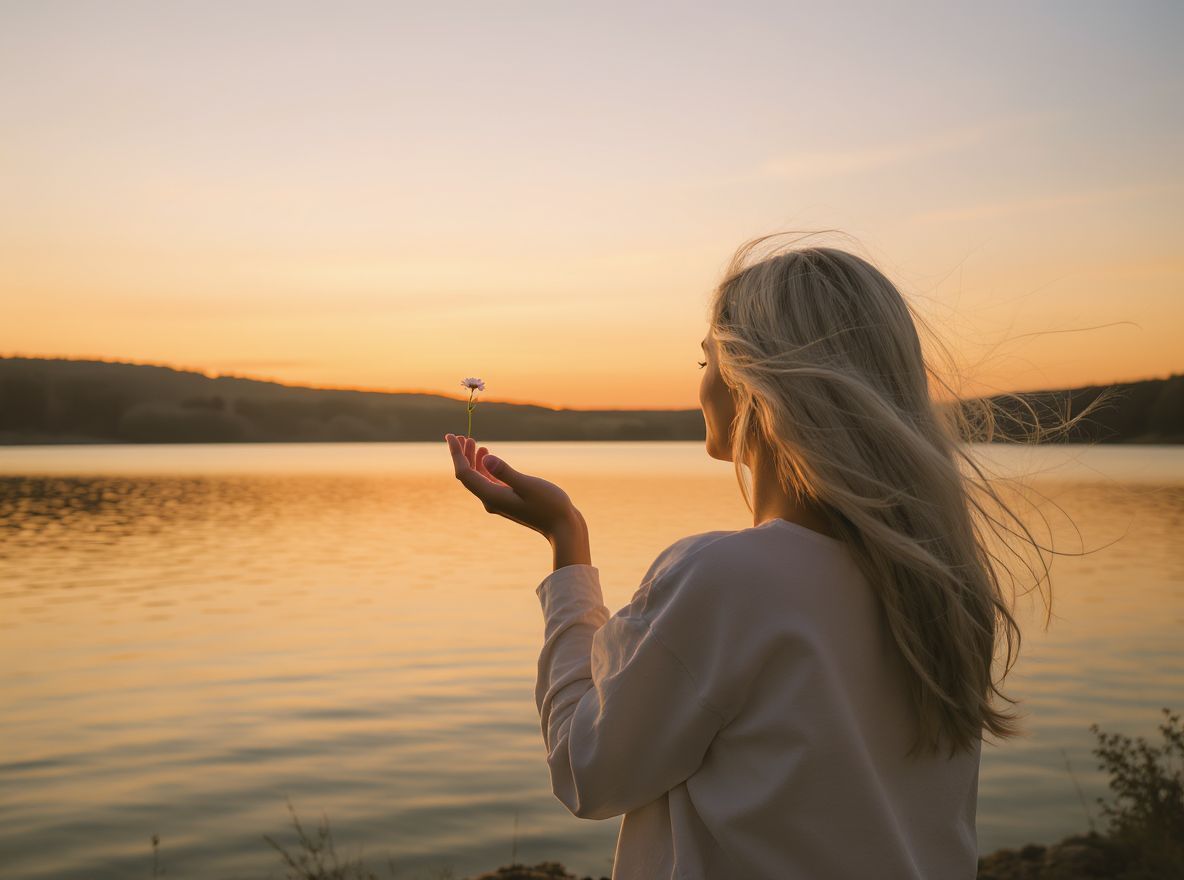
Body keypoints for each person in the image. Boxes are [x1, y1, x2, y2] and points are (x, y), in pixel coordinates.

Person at [443, 231, 1100, 879]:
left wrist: (567, 546)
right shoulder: (943, 587)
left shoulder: (728, 582)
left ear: (752, 381)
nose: (700, 387)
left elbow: (586, 771)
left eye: (706, 364)